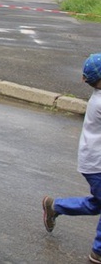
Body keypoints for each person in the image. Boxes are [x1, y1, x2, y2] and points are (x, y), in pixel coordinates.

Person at [42, 53, 101, 263]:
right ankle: (98, 251)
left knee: (97, 204)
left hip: (93, 162)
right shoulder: (99, 102)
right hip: (97, 165)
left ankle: (56, 207)